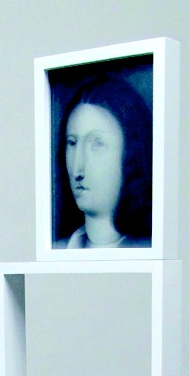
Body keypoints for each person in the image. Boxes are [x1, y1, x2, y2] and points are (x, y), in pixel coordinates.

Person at [54, 73, 152, 248]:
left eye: (97, 143)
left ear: (129, 153)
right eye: (72, 143)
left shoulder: (147, 247)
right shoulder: (58, 249)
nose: (77, 170)